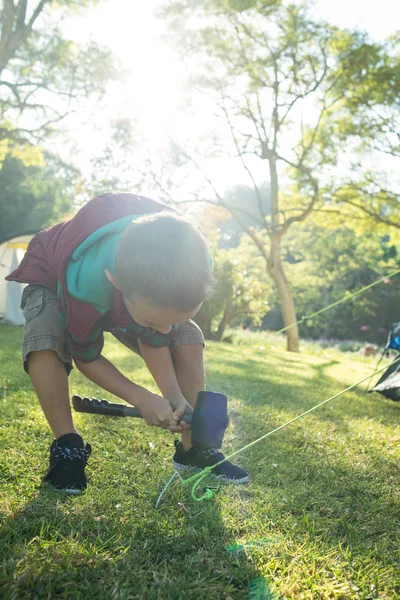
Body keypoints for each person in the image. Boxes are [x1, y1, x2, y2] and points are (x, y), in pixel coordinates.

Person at [6, 192, 249, 493]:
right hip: (55, 275)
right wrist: (142, 398)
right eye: (152, 322)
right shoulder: (88, 280)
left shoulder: (191, 258)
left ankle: (194, 449)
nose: (164, 330)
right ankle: (67, 444)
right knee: (46, 336)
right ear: (116, 283)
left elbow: (156, 335)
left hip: (129, 285)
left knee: (186, 335)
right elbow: (87, 356)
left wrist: (173, 398)